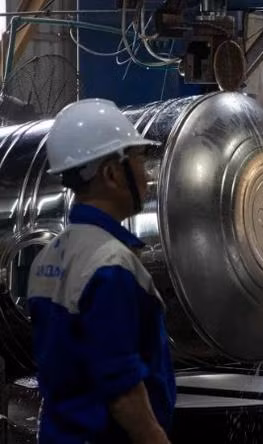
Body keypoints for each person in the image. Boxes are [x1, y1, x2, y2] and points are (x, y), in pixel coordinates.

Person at [27, 99, 174, 443]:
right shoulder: (110, 266)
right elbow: (122, 393)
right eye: (138, 160)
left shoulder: (48, 257)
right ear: (111, 173)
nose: (147, 175)